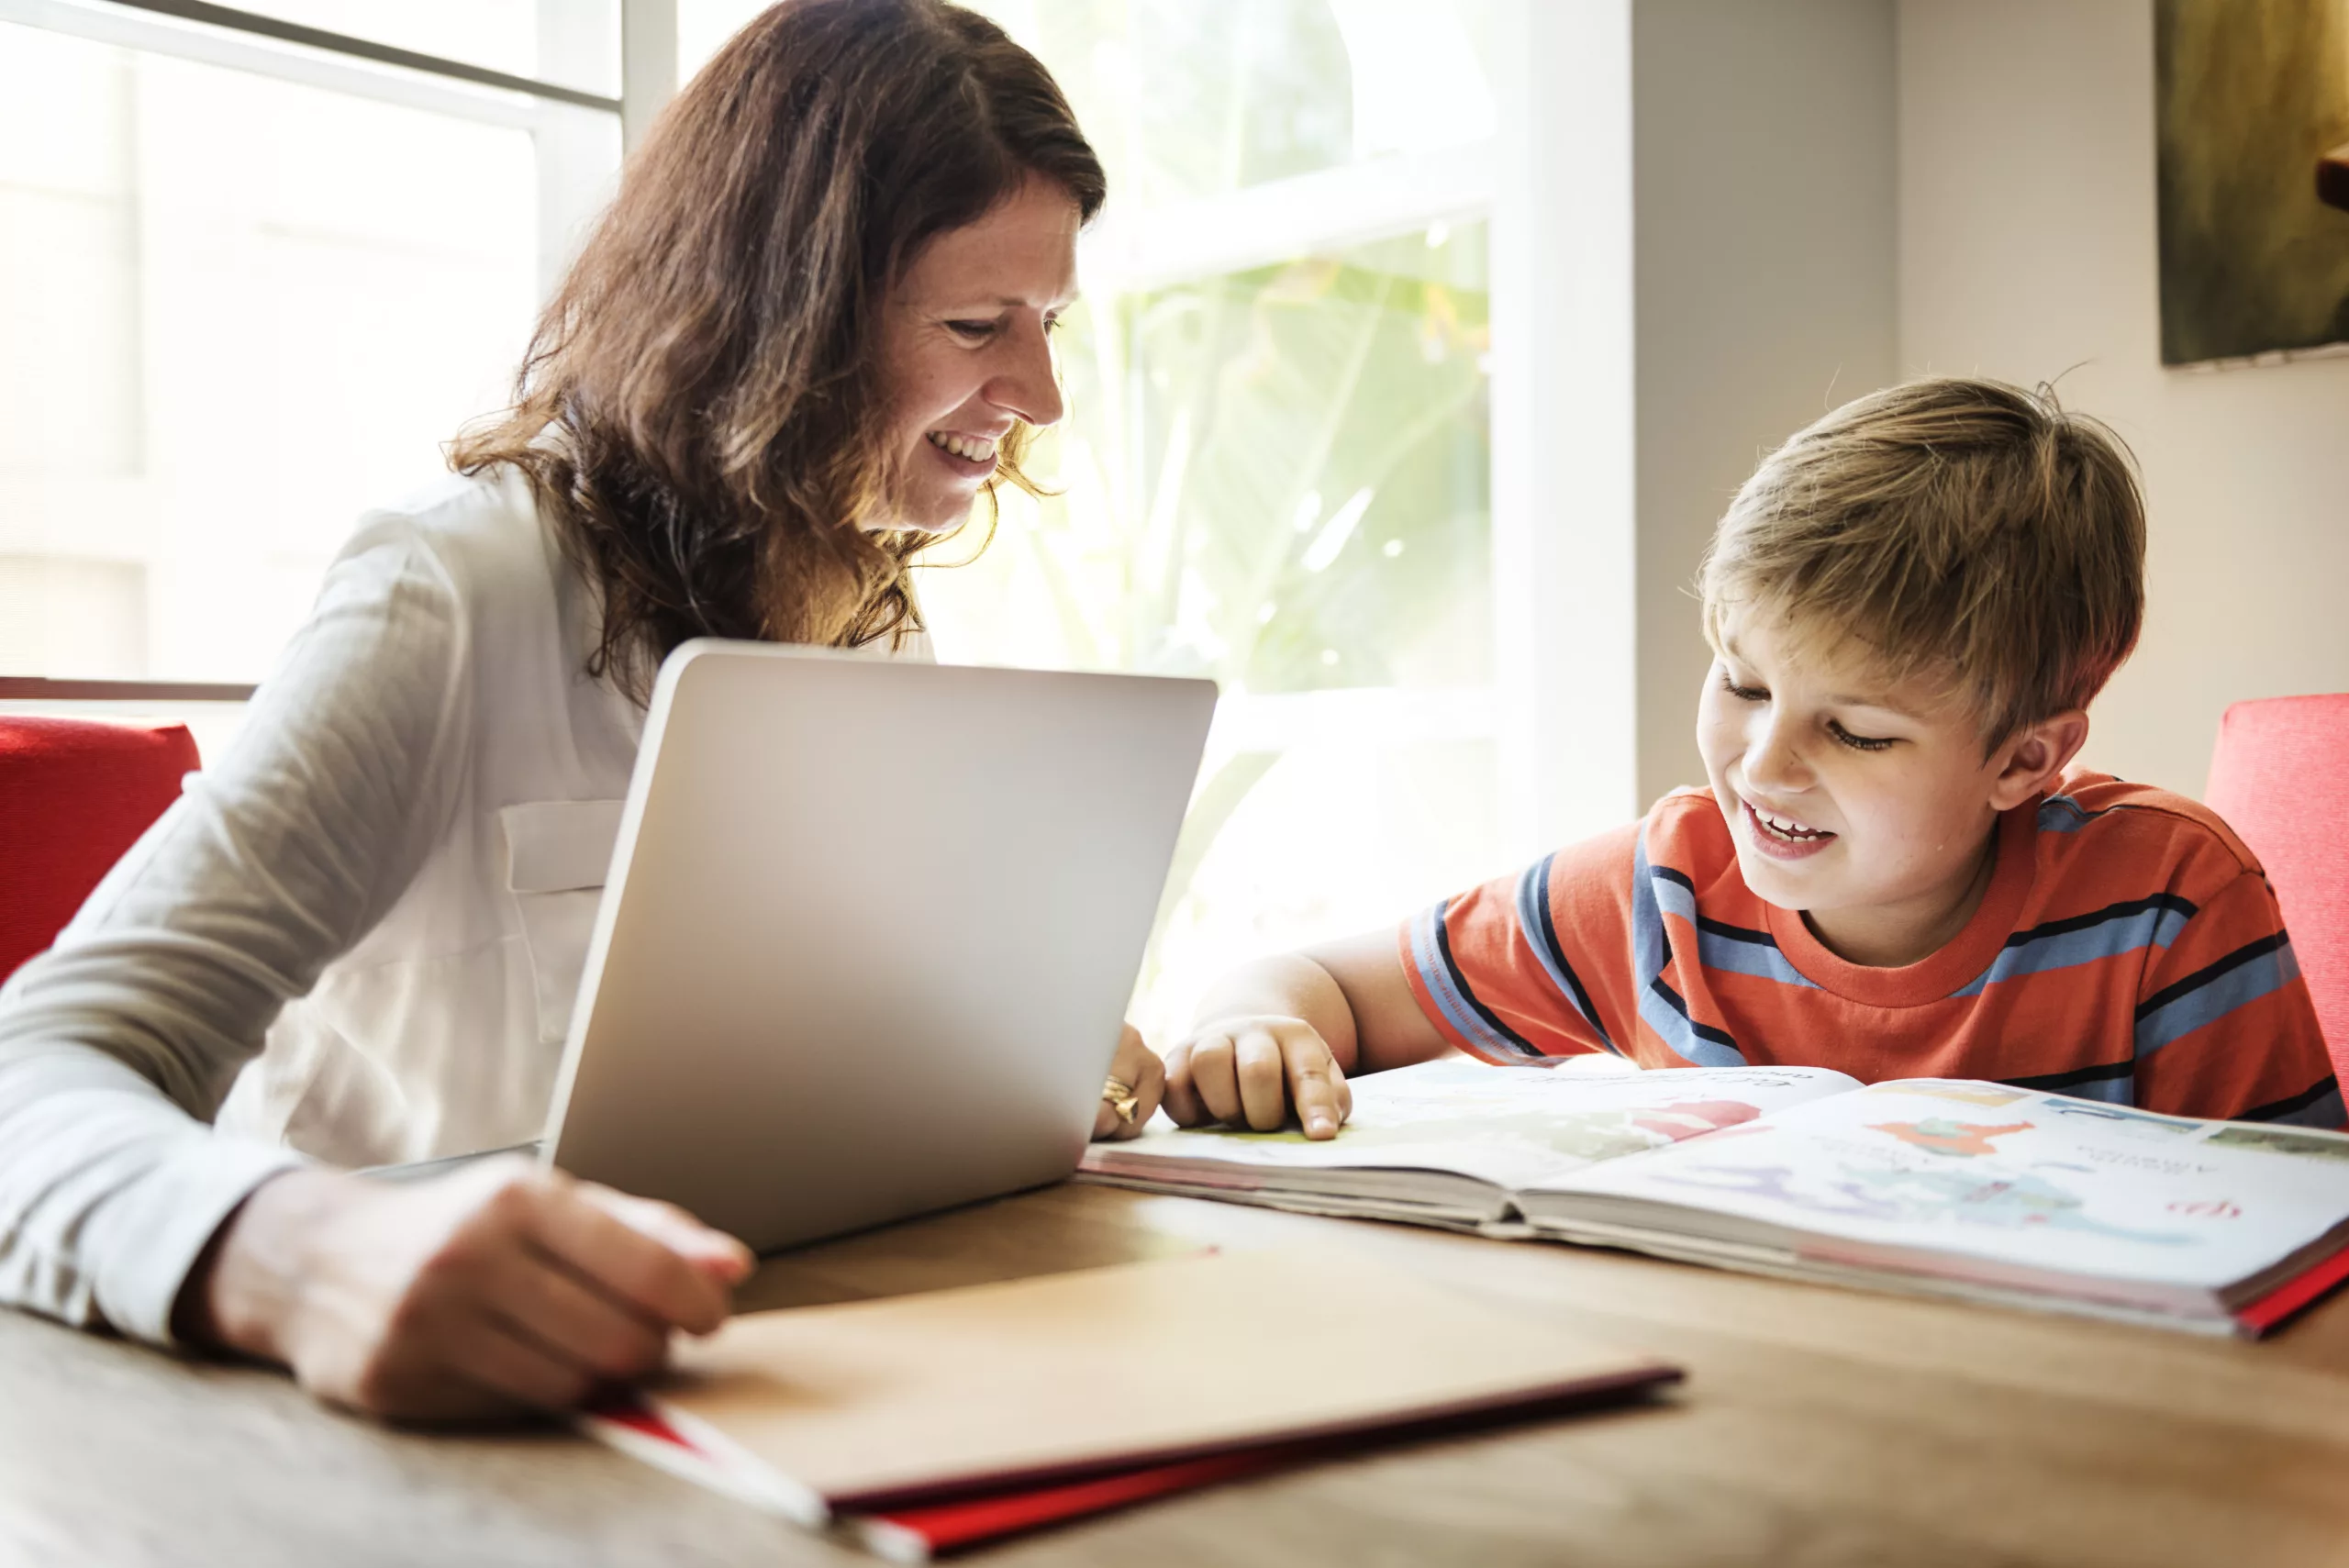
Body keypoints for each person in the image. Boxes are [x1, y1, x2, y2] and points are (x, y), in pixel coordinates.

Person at [0, 0, 1162, 1421]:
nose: (1038, 392)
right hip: (380, 1430)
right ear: (779, 318)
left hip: (745, 1376)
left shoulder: (862, 609)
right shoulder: (455, 582)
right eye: (980, 324)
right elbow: (35, 1076)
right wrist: (293, 1252)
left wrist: (1009, 1056)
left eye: (1046, 323)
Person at [1161, 376, 2342, 1141]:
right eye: (1743, 683)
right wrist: (1250, 1022)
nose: (1762, 765)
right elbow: (1317, 985)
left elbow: (2304, 1241)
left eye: (1857, 730)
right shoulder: (1663, 889)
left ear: (2024, 761)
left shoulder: (2168, 907)